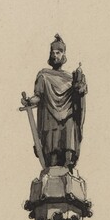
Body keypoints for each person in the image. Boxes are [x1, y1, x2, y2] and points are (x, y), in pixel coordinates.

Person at [21, 34, 87, 169]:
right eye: (53, 52)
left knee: (68, 153)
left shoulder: (70, 78)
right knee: (52, 155)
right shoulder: (44, 76)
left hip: (68, 120)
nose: (55, 55)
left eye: (59, 52)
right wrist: (28, 101)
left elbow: (78, 100)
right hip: (50, 121)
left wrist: (80, 86)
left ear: (64, 55)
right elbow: (38, 97)